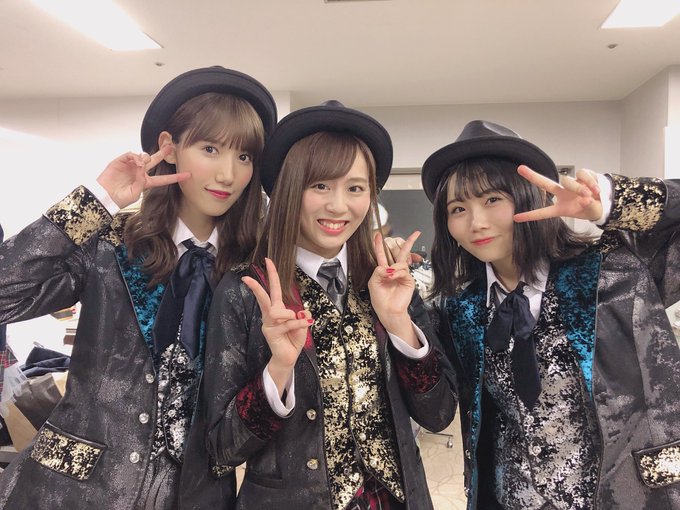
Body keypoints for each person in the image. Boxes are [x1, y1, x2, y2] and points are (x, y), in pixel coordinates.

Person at [0, 66, 277, 509]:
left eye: (244, 157)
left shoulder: (256, 274)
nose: (228, 173)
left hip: (193, 495)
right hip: (70, 492)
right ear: (170, 147)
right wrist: (98, 200)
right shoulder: (109, 244)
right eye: (210, 148)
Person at [201, 101, 457, 509]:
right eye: (320, 186)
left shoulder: (388, 280)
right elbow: (222, 449)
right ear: (289, 190)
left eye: (355, 188)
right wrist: (277, 371)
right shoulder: (245, 290)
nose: (339, 206)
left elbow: (439, 414)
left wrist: (398, 324)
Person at [421, 120, 680, 509]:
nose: (477, 223)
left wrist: (612, 202)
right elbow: (438, 405)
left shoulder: (617, 270)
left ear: (529, 198)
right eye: (458, 209)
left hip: (628, 495)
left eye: (492, 200)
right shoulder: (458, 309)